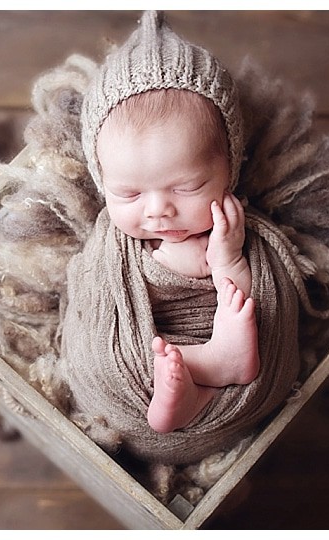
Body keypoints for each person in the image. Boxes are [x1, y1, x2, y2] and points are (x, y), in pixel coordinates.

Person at [93, 87, 260, 433]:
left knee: (244, 313)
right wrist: (163, 265)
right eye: (129, 194)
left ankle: (214, 369)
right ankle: (200, 382)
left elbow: (248, 299)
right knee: (110, 355)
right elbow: (94, 301)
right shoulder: (111, 246)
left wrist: (227, 257)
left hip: (211, 342)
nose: (158, 211)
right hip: (141, 355)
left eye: (185, 188)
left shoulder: (230, 231)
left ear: (228, 168)